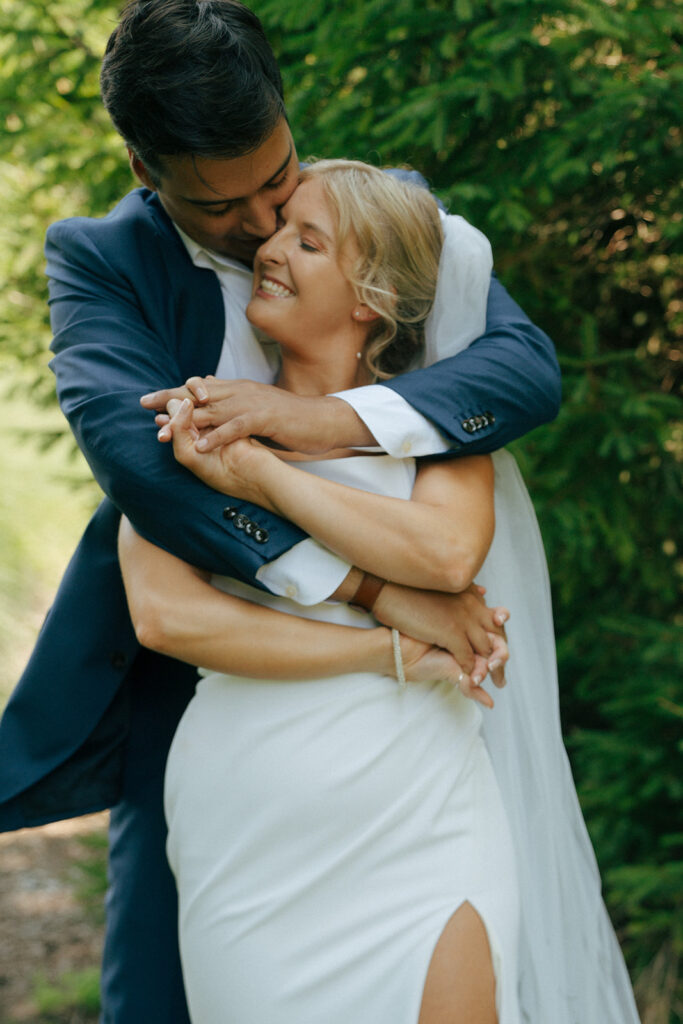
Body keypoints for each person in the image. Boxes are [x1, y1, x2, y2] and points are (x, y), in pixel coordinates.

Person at [0, 2, 562, 1021]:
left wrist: (311, 420)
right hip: (206, 701)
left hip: (414, 767)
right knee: (158, 992)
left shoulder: (374, 215)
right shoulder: (101, 259)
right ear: (145, 167)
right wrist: (371, 592)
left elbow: (519, 373)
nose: (261, 225)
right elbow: (142, 461)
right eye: (223, 207)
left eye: (276, 178)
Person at [118, 160, 641, 1023]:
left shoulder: (428, 435)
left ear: (369, 297)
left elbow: (439, 555)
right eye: (280, 231)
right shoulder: (192, 408)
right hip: (248, 832)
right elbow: (166, 613)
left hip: (425, 824)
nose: (269, 249)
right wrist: (387, 648)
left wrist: (260, 470)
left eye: (306, 239)